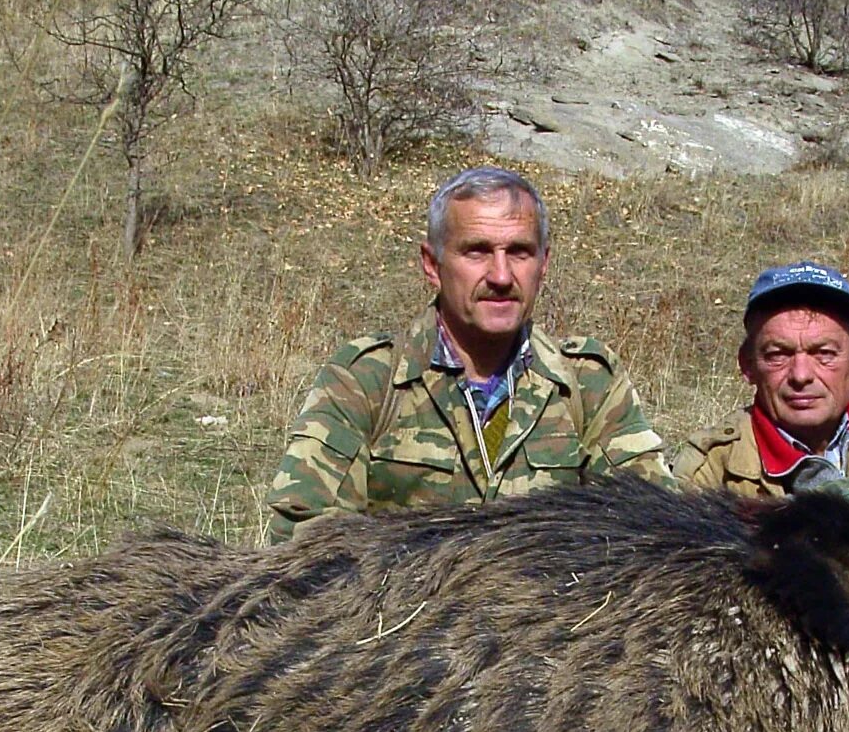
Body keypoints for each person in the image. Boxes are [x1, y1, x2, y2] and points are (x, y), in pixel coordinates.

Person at [266, 167, 669, 542]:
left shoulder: (589, 385)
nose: (500, 276)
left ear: (544, 263)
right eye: (476, 252)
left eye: (520, 252)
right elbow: (303, 536)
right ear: (432, 264)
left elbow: (654, 529)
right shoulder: (367, 379)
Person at [673, 261, 849, 496]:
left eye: (824, 354)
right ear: (748, 365)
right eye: (777, 355)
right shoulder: (709, 471)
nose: (801, 375)